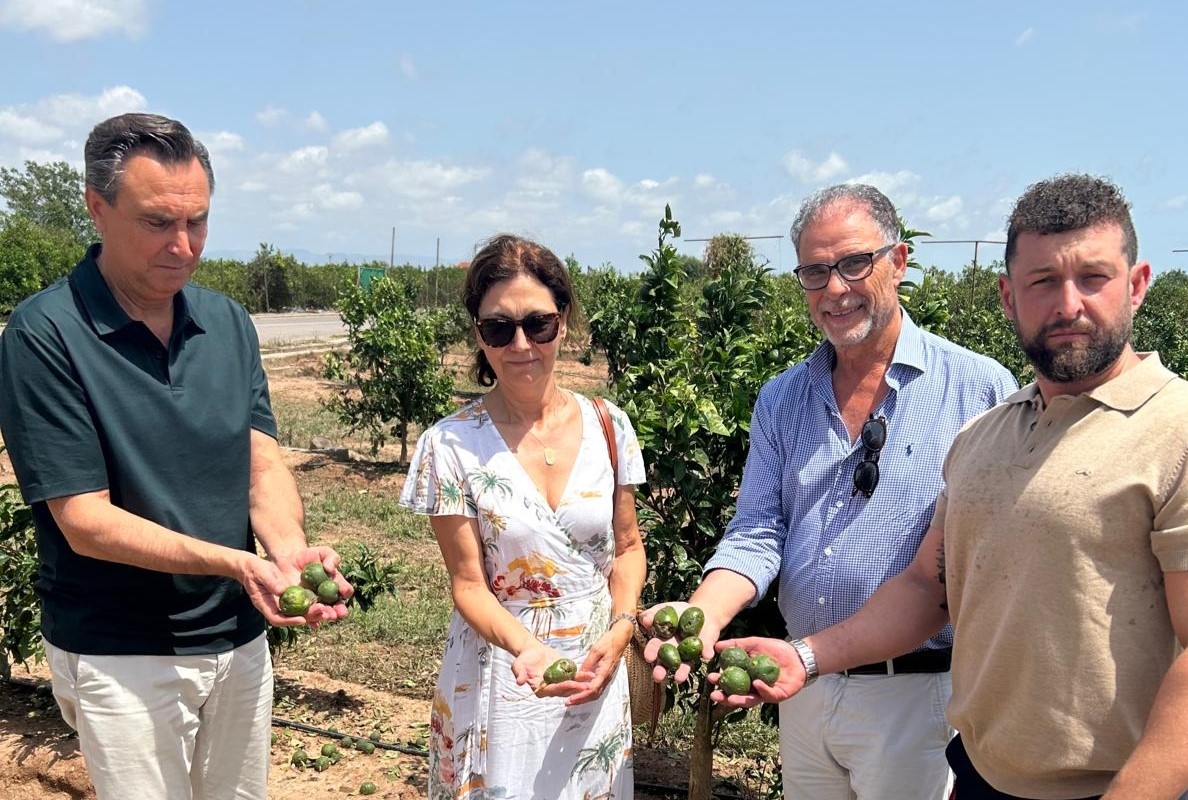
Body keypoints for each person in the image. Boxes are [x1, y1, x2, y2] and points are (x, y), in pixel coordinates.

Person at [718, 174, 1188, 800]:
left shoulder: (1182, 430)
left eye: (1093, 277)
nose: (1068, 304)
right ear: (1008, 296)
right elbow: (927, 587)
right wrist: (804, 657)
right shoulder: (985, 436)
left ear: (1137, 286)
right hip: (980, 775)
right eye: (1043, 282)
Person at [0, 112, 352, 800]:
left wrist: (287, 552)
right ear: (97, 208)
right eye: (159, 222)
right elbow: (84, 519)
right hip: (121, 649)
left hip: (238, 637)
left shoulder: (224, 323)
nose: (183, 245)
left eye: (198, 222)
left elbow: (261, 461)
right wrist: (237, 563)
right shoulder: (46, 334)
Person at [644, 183, 1018, 800]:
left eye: (853, 263)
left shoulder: (976, 389)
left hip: (918, 694)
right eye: (815, 272)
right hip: (803, 687)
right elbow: (758, 531)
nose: (835, 289)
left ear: (898, 262)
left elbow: (982, 561)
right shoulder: (783, 398)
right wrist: (703, 612)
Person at [400, 233, 646, 799]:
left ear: (564, 322)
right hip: (500, 673)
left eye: (537, 324)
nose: (520, 344)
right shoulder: (451, 446)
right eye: (498, 328)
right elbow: (468, 585)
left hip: (594, 666)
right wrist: (526, 648)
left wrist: (622, 625)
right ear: (478, 335)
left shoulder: (611, 427)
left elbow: (628, 550)